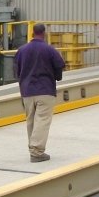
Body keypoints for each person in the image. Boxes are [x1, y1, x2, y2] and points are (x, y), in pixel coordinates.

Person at [14, 23, 66, 162]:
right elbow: (59, 68)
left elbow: (17, 72)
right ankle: (36, 152)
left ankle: (33, 149)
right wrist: (55, 76)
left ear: (32, 33)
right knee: (42, 120)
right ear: (44, 33)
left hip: (27, 91)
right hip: (45, 90)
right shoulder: (49, 50)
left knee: (31, 121)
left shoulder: (22, 50)